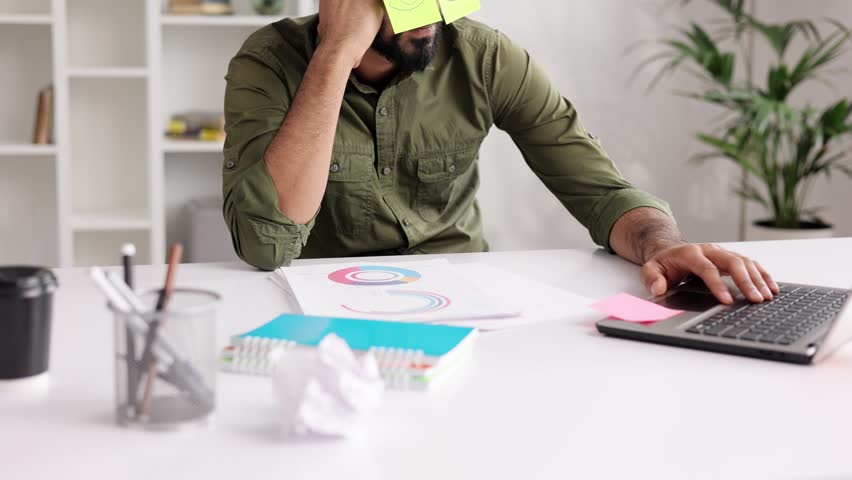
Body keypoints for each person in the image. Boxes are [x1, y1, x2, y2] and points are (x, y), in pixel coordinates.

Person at [222, 0, 778, 305]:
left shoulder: (483, 55)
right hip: (320, 310)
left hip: (463, 305)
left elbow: (600, 190)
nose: (432, 16)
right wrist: (335, 53)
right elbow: (266, 242)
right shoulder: (269, 62)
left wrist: (663, 244)